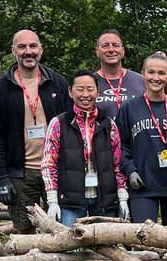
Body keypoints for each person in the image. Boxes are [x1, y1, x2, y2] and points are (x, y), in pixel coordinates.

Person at [0, 29, 69, 233]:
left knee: (61, 227)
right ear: (13, 50)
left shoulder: (57, 82)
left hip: (56, 169)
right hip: (20, 172)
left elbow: (70, 126)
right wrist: (2, 178)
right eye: (22, 47)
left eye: (33, 46)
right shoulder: (1, 87)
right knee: (25, 228)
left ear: (41, 49)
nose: (28, 51)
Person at [118, 52, 167, 228]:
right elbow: (120, 146)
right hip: (142, 185)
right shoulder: (129, 108)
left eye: (161, 73)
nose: (156, 78)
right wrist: (130, 171)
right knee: (144, 237)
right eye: (151, 72)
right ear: (143, 74)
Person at [41, 70, 129, 226]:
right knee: (68, 247)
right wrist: (52, 200)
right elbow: (49, 164)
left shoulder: (109, 125)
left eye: (90, 89)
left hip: (104, 199)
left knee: (107, 247)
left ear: (98, 92)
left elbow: (117, 163)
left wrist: (122, 196)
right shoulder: (59, 124)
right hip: (70, 201)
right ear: (70, 91)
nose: (85, 94)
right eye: (80, 89)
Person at [93, 29, 146, 117]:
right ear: (97, 52)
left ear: (123, 51)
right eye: (105, 46)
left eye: (115, 45)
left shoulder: (141, 80)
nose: (111, 49)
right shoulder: (89, 82)